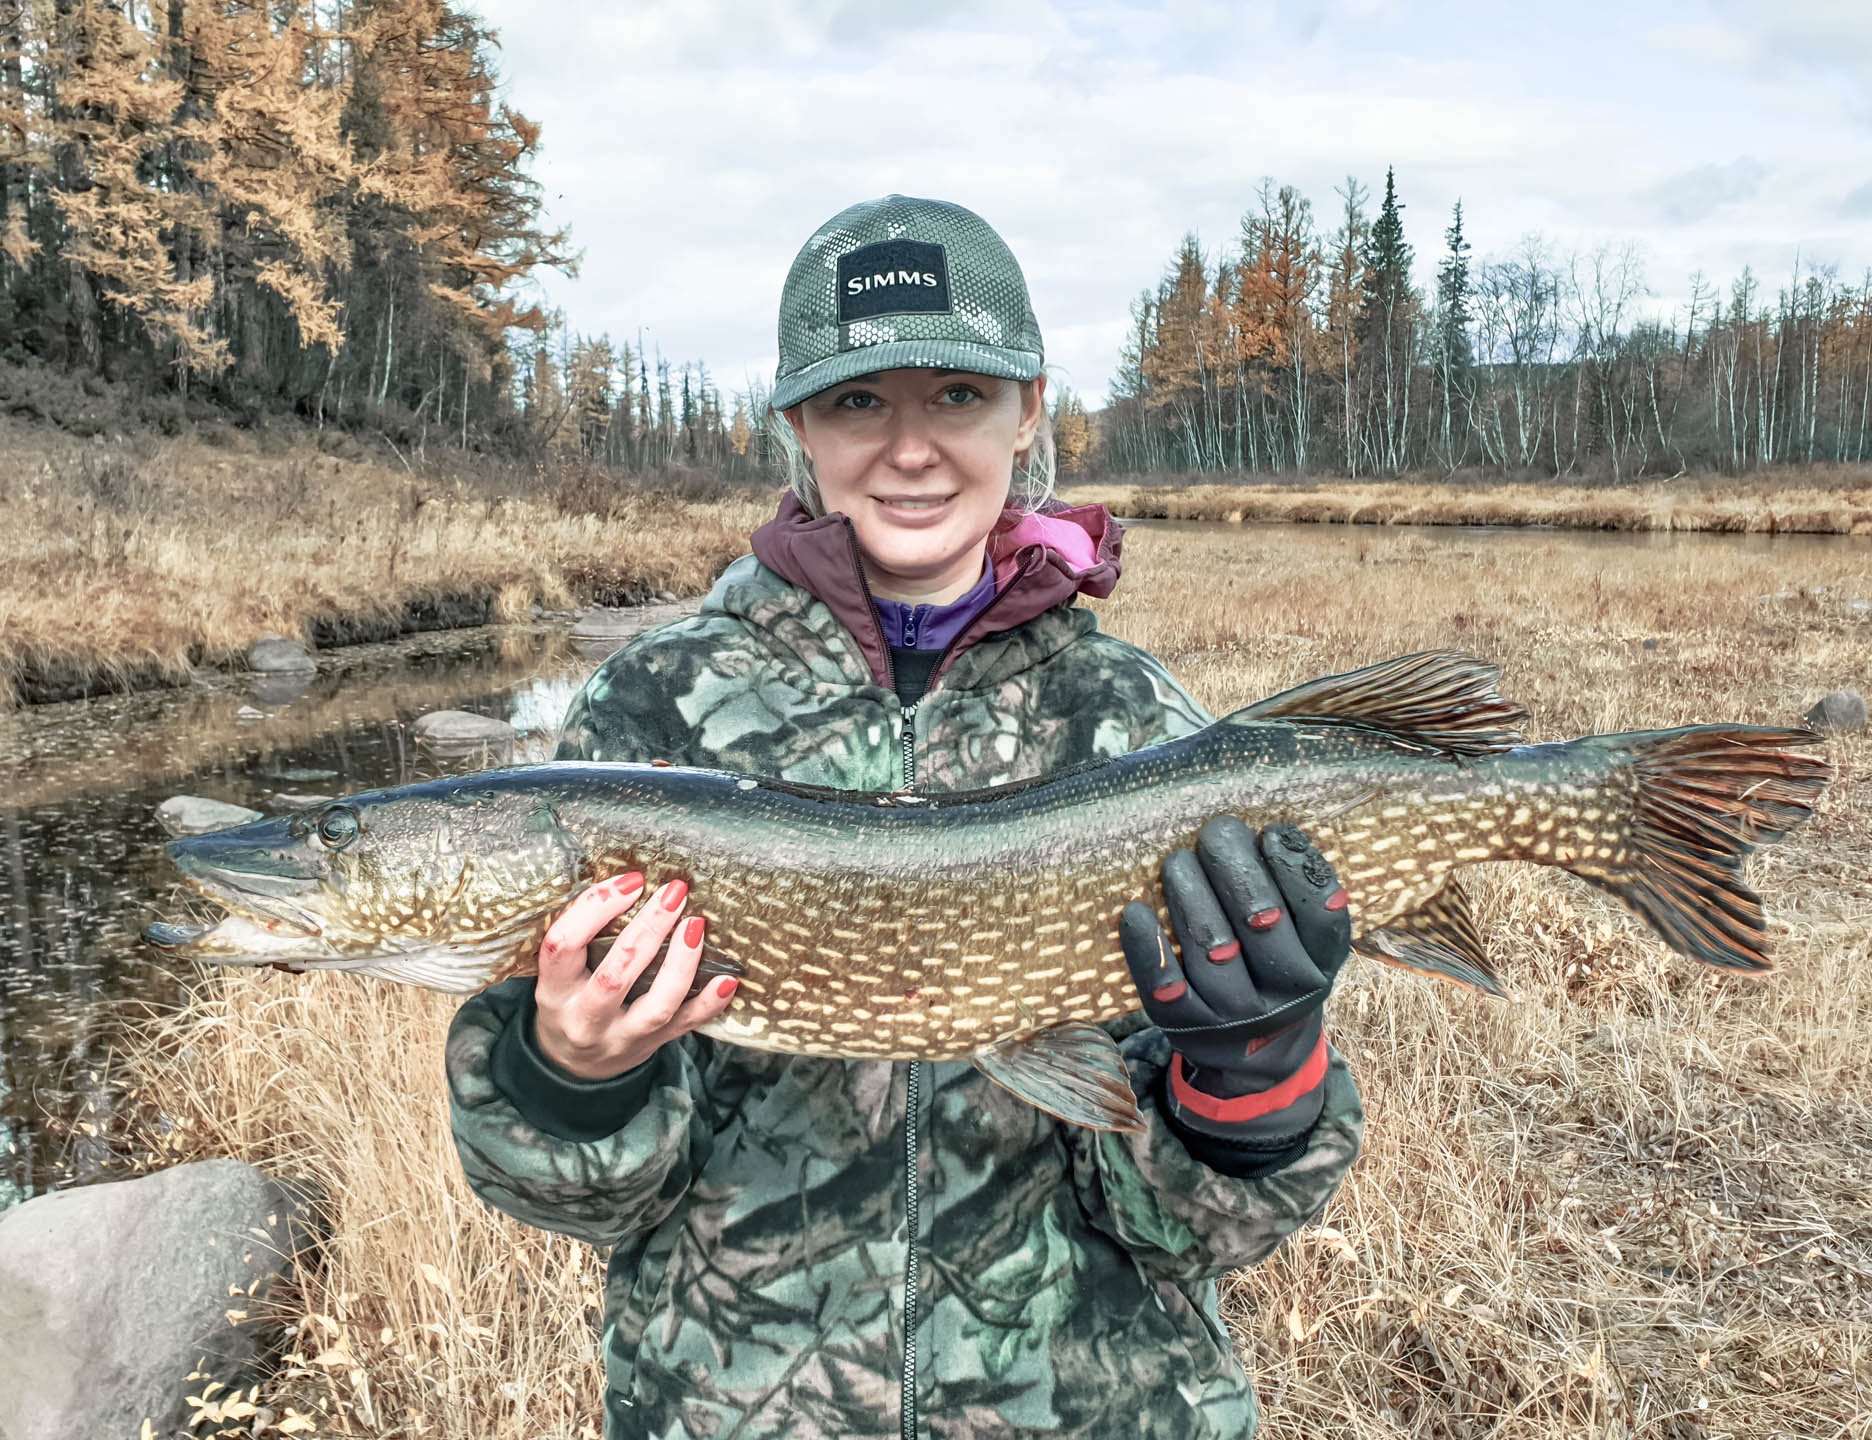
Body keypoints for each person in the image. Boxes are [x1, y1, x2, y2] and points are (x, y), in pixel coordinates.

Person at [447, 195, 1364, 1440]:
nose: (912, 449)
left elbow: (1207, 1230)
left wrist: (1255, 1069)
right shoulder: (654, 704)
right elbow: (579, 1204)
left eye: (956, 397)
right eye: (859, 402)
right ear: (799, 431)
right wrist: (571, 1074)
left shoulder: (1128, 711)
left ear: (1029, 409)